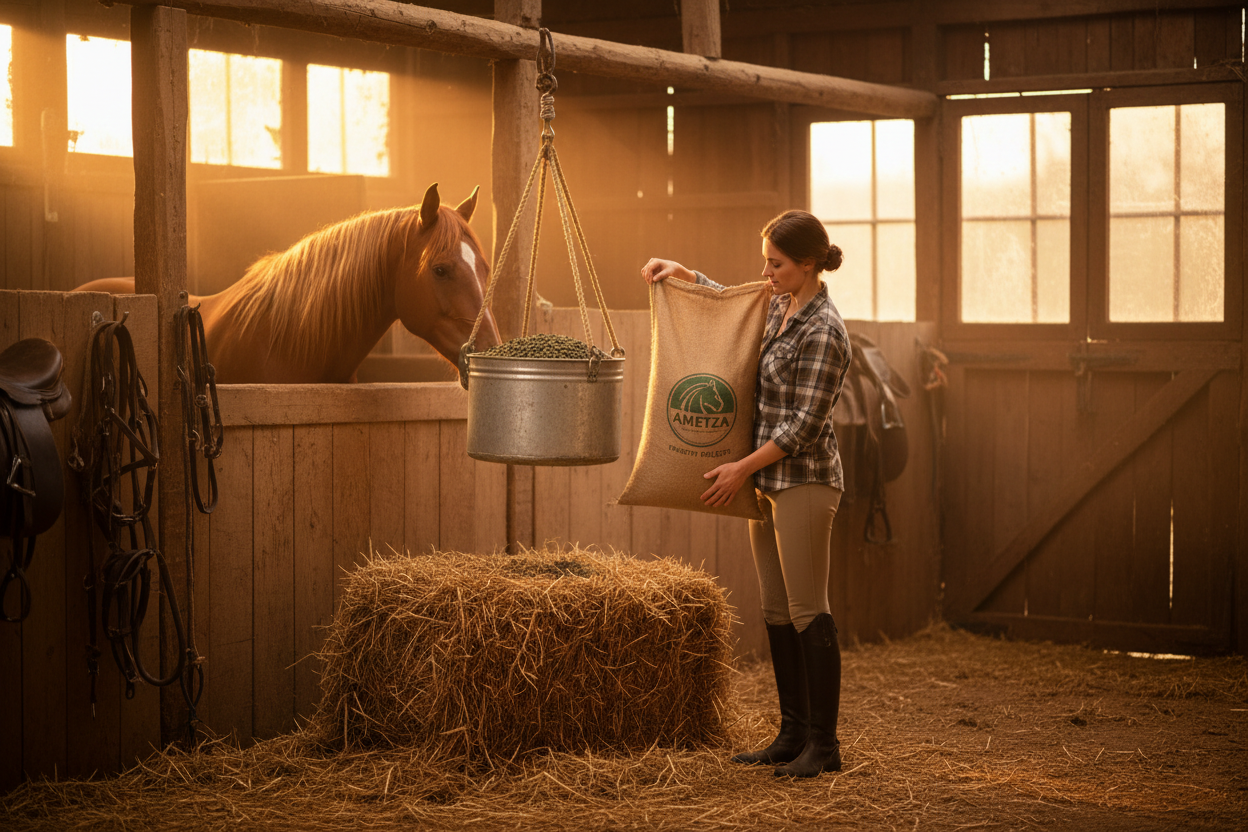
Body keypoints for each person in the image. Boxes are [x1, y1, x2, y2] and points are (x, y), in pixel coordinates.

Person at [640, 210, 850, 779]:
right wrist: (683, 273)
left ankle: (824, 746)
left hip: (803, 481)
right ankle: (792, 734)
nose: (766, 271)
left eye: (776, 262)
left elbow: (804, 427)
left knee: (809, 610)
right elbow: (729, 302)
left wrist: (738, 470)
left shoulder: (825, 331)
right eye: (765, 260)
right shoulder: (777, 303)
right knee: (777, 610)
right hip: (764, 482)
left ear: (807, 264)